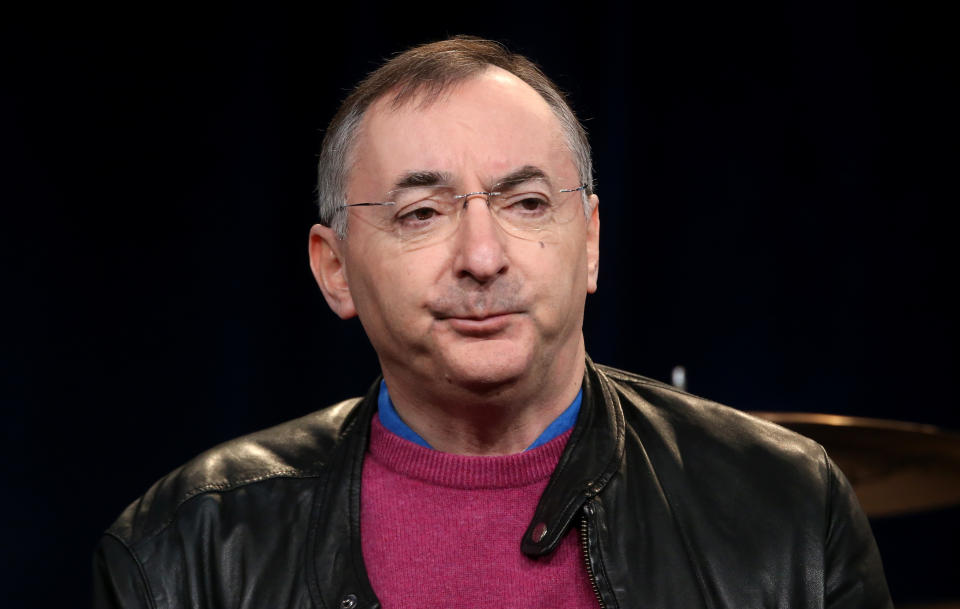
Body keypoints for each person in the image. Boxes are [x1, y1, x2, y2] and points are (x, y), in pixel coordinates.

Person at [93, 36, 891, 609]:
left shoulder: (791, 505)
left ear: (590, 243)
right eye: (420, 212)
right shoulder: (183, 550)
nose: (482, 255)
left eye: (527, 203)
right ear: (333, 268)